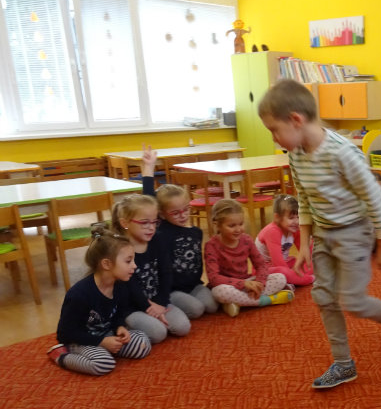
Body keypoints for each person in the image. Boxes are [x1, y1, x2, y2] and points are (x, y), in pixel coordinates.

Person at [258, 79, 381, 389]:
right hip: (324, 234)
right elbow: (304, 198)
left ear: (296, 119)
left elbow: (374, 196)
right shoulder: (296, 154)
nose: (274, 137)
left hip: (354, 232)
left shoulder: (343, 153)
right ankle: (343, 364)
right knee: (324, 298)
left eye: (274, 130)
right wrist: (304, 244)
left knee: (353, 302)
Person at [46, 225, 151, 376]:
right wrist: (100, 342)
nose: (134, 266)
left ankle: (104, 350)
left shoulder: (121, 285)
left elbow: (119, 314)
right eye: (128, 261)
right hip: (80, 340)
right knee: (104, 364)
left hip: (106, 334)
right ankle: (61, 355)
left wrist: (120, 327)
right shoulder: (79, 294)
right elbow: (65, 333)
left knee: (142, 343)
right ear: (106, 264)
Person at [139, 146, 218, 317]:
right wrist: (148, 168)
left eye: (186, 209)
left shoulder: (196, 232)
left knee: (212, 307)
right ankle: (174, 306)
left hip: (195, 285)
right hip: (173, 289)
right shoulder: (161, 231)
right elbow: (148, 199)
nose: (182, 215)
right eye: (175, 213)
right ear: (162, 214)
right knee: (197, 310)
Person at [112, 194, 191, 343]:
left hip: (156, 300)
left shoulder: (157, 240)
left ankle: (154, 319)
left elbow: (166, 273)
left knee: (183, 327)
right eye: (144, 223)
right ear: (125, 223)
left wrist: (161, 303)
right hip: (132, 307)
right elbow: (130, 285)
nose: (151, 228)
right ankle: (124, 327)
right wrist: (148, 307)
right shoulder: (120, 249)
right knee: (158, 333)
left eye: (154, 222)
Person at [205, 198, 292, 317]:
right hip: (228, 286)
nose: (238, 229)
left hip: (248, 283)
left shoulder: (246, 240)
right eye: (231, 225)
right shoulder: (211, 246)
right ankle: (267, 300)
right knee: (219, 292)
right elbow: (214, 278)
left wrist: (259, 283)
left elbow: (261, 265)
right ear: (217, 225)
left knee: (280, 278)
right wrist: (243, 284)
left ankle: (239, 302)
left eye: (241, 224)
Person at [255, 194, 315, 287]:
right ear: (277, 217)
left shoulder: (294, 229)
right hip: (263, 268)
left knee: (304, 262)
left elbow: (306, 252)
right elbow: (278, 263)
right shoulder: (272, 231)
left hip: (283, 263)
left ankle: (298, 279)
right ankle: (308, 279)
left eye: (298, 217)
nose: (296, 222)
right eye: (291, 218)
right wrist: (293, 273)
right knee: (283, 272)